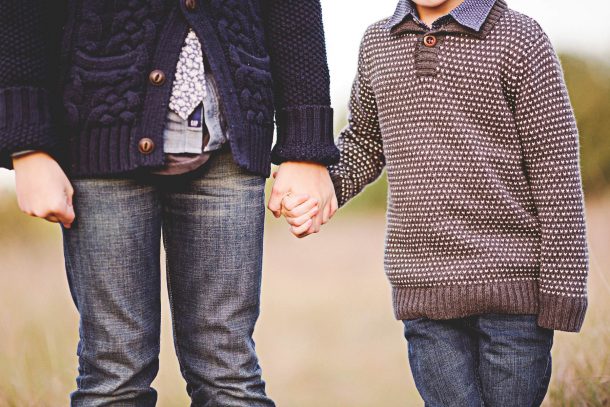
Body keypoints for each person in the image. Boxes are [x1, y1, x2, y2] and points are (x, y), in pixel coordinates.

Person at [0, 0, 338, 405]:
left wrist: (306, 148)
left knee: (229, 372)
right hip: (100, 133)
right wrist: (27, 145)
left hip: (229, 139)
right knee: (114, 375)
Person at [280, 0, 589, 405]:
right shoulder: (378, 42)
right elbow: (364, 143)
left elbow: (557, 171)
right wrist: (322, 190)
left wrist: (564, 289)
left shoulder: (519, 37)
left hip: (514, 300)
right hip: (423, 293)